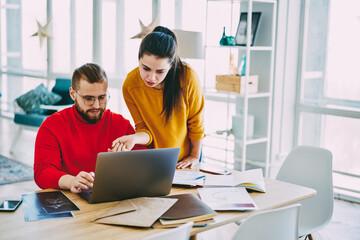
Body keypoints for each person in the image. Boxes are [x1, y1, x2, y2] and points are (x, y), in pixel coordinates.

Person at [34, 63, 143, 193]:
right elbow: (42, 173)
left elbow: (144, 162)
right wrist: (71, 181)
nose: (96, 105)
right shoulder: (51, 125)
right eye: (88, 99)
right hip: (69, 197)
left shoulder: (120, 124)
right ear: (73, 94)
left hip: (112, 196)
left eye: (102, 97)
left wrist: (126, 162)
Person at [110, 26, 205, 169]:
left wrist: (195, 155)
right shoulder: (130, 85)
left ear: (171, 65)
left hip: (189, 156)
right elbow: (143, 128)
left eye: (160, 71)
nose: (151, 77)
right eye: (145, 68)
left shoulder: (188, 77)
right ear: (139, 59)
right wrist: (134, 138)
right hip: (156, 161)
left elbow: (196, 122)